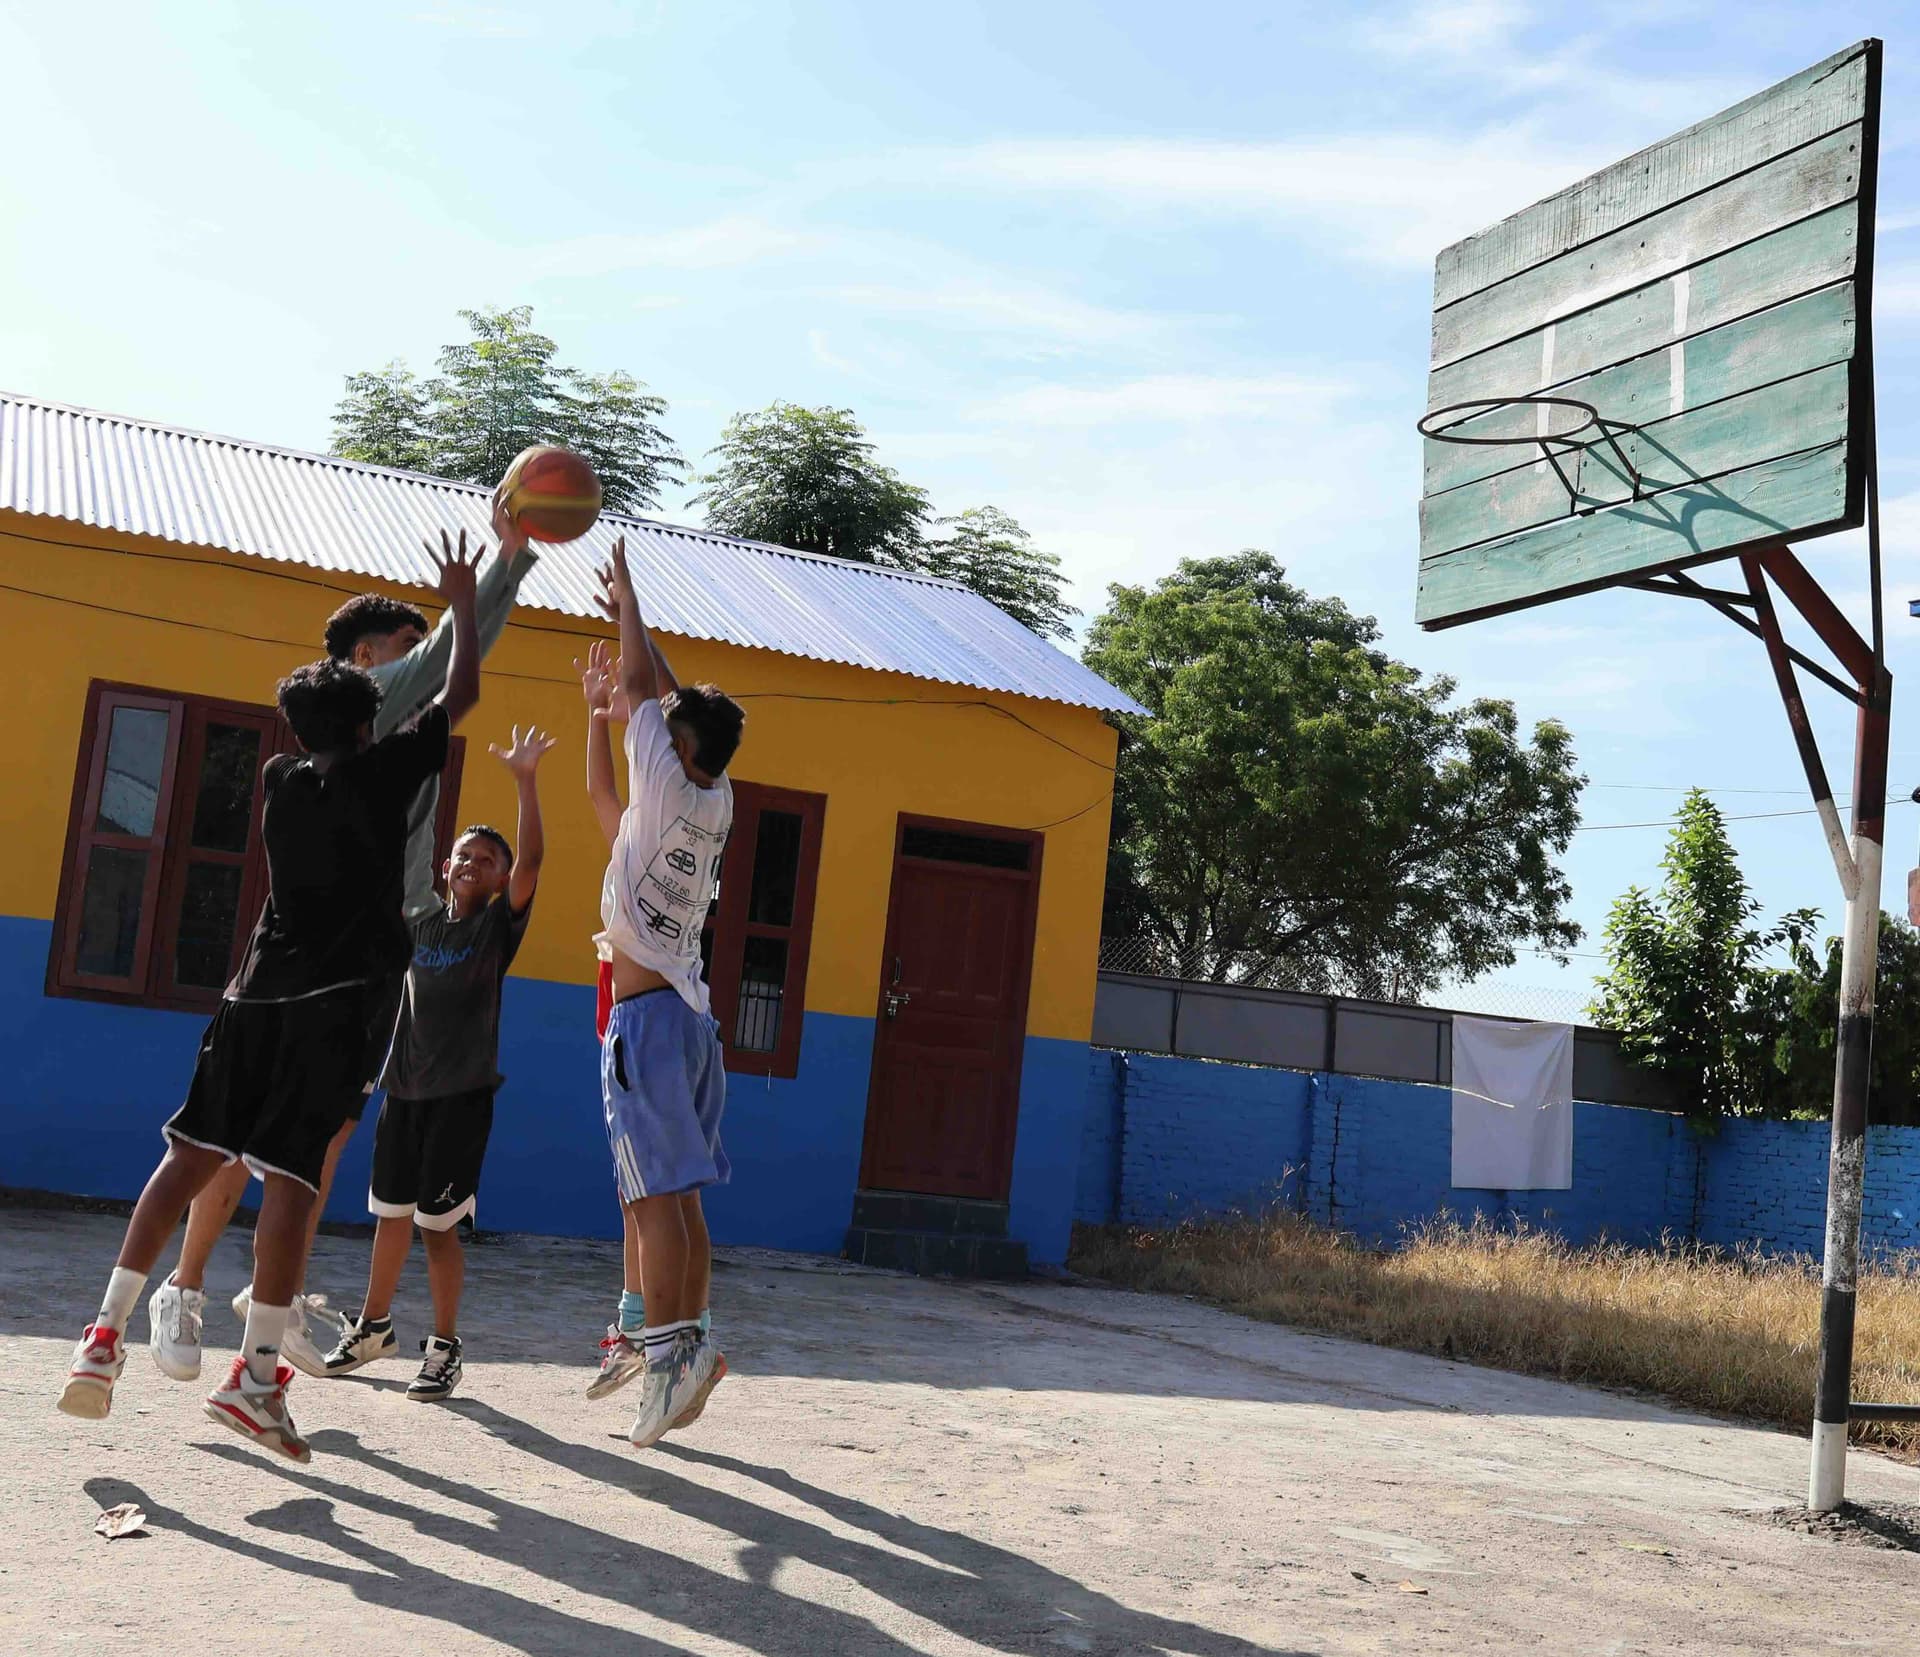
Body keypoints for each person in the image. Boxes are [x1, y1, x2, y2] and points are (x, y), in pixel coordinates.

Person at [58, 541, 483, 1461]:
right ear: (368, 724)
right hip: (337, 1006)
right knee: (293, 1181)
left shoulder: (277, 780)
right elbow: (460, 695)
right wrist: (462, 604)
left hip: (251, 997)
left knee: (186, 1156)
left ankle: (103, 1332)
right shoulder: (385, 774)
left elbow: (385, 718)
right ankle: (254, 1377)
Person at [145, 504, 537, 1382]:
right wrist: (508, 560)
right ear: (365, 658)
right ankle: (185, 1284)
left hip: (379, 949)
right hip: (317, 956)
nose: (421, 654)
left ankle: (268, 1298)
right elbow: (458, 651)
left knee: (318, 1139)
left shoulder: (386, 729)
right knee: (240, 1134)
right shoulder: (372, 700)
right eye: (406, 643)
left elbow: (455, 657)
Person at [321, 724, 554, 1400]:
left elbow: (534, 860)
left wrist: (526, 781)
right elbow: (397, 844)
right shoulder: (421, 922)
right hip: (403, 1091)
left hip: (461, 1097)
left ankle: (446, 1346)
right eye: (463, 855)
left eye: (487, 859)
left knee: (436, 1227)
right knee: (390, 1216)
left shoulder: (495, 929)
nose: (472, 863)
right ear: (445, 869)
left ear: (501, 878)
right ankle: (373, 1326)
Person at [594, 538, 744, 1446]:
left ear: (676, 746)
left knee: (653, 1203)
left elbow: (644, 685)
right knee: (681, 1200)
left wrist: (629, 604)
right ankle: (690, 1345)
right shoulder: (716, 795)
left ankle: (666, 1359)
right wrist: (636, 621)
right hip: (691, 1021)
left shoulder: (657, 770)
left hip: (648, 1021)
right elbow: (672, 695)